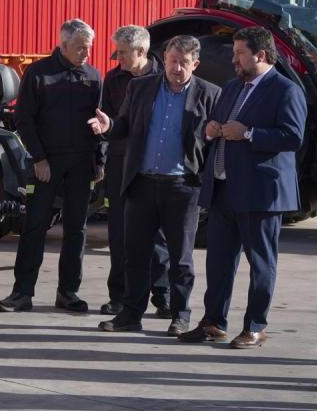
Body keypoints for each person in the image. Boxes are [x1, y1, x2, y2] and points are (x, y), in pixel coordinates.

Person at [177, 27, 305, 349]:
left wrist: (249, 134)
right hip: (224, 189)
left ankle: (255, 326)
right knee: (218, 262)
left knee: (261, 263)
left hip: (259, 193)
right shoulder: (232, 87)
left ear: (260, 55)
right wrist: (211, 130)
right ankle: (213, 322)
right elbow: (221, 126)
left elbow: (292, 137)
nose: (233, 59)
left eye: (239, 53)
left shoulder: (285, 90)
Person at [87, 35, 220, 336]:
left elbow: (213, 144)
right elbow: (123, 125)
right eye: (172, 61)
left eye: (184, 63)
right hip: (142, 184)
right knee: (135, 254)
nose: (176, 68)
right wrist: (108, 127)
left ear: (195, 64)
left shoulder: (210, 95)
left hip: (183, 188)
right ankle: (130, 314)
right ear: (165, 60)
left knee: (180, 258)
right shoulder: (140, 88)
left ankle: (180, 314)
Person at [0, 19, 103, 313]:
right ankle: (22, 293)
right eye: (81, 48)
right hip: (47, 164)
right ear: (64, 44)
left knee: (76, 230)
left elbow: (100, 122)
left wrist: (99, 161)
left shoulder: (93, 77)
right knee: (35, 227)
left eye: (89, 48)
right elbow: (24, 119)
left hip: (81, 164)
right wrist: (39, 158)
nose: (86, 54)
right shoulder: (39, 74)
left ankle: (68, 292)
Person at [98, 25, 171, 317]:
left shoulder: (165, 79)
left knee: (158, 236)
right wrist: (101, 159)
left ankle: (163, 295)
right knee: (119, 232)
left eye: (124, 53)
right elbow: (107, 122)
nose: (119, 59)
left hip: (153, 166)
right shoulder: (114, 79)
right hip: (120, 164)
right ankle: (120, 295)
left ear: (141, 51)